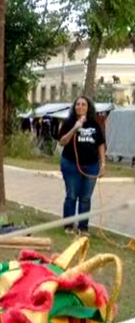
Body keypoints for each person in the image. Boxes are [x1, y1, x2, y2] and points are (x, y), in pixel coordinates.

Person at [57, 95, 106, 235]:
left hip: (91, 165)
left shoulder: (94, 124)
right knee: (71, 195)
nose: (80, 106)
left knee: (85, 197)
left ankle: (83, 228)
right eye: (78, 104)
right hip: (71, 164)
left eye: (83, 104)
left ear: (88, 107)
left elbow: (101, 144)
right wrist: (75, 128)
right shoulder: (68, 122)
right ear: (74, 107)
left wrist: (102, 164)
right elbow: (62, 142)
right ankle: (68, 226)